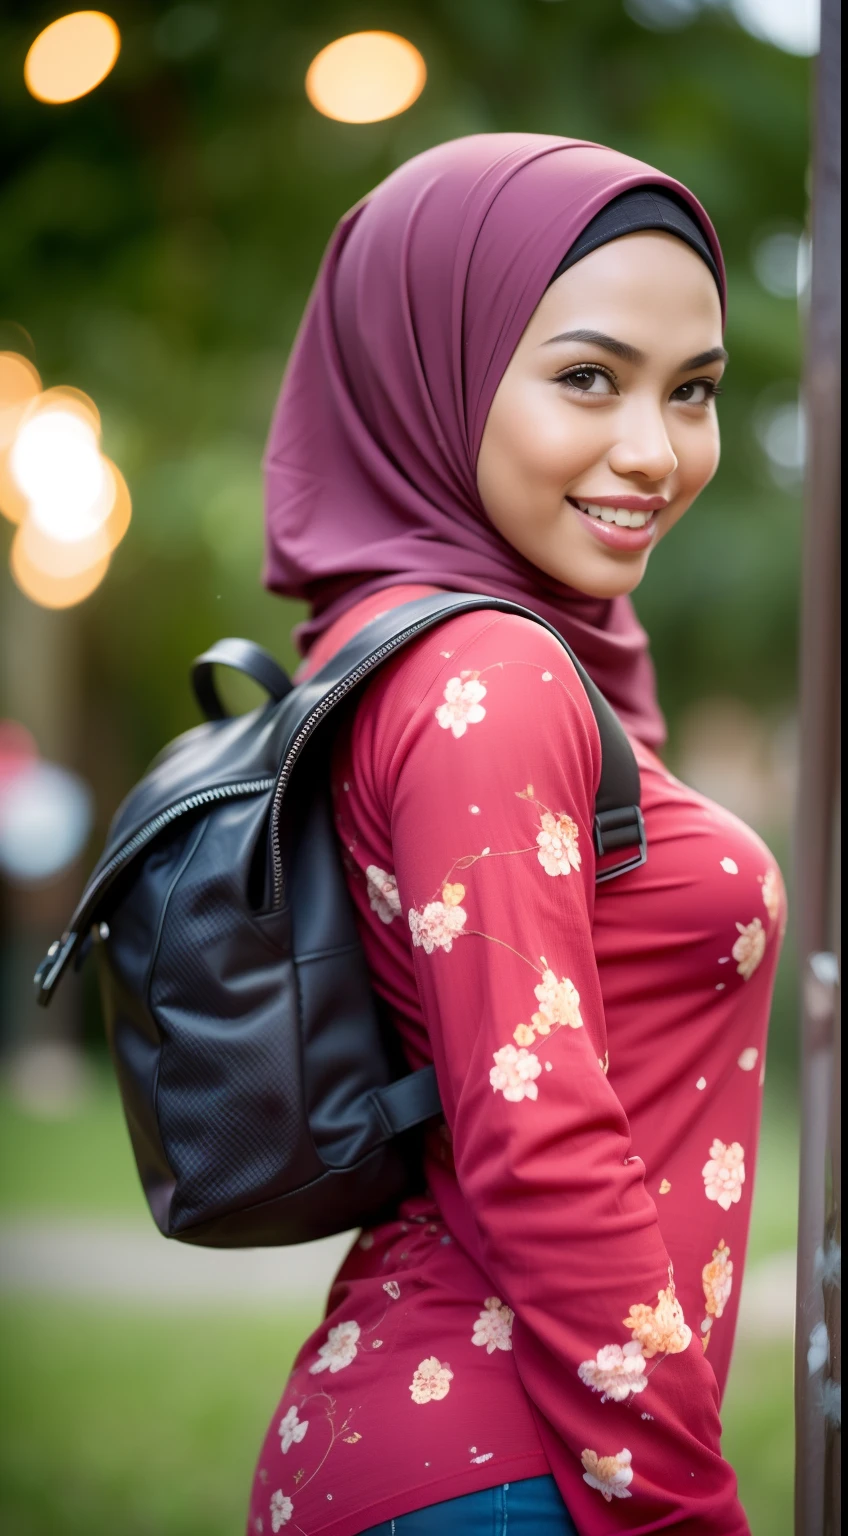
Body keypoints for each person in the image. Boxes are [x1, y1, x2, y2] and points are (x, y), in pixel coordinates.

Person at [249, 135, 785, 1536]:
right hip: (513, 1470)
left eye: (697, 392)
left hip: (469, 1450)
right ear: (437, 362)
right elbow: (535, 1145)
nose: (656, 452)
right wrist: (682, 1511)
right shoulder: (487, 676)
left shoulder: (416, 649)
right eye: (590, 378)